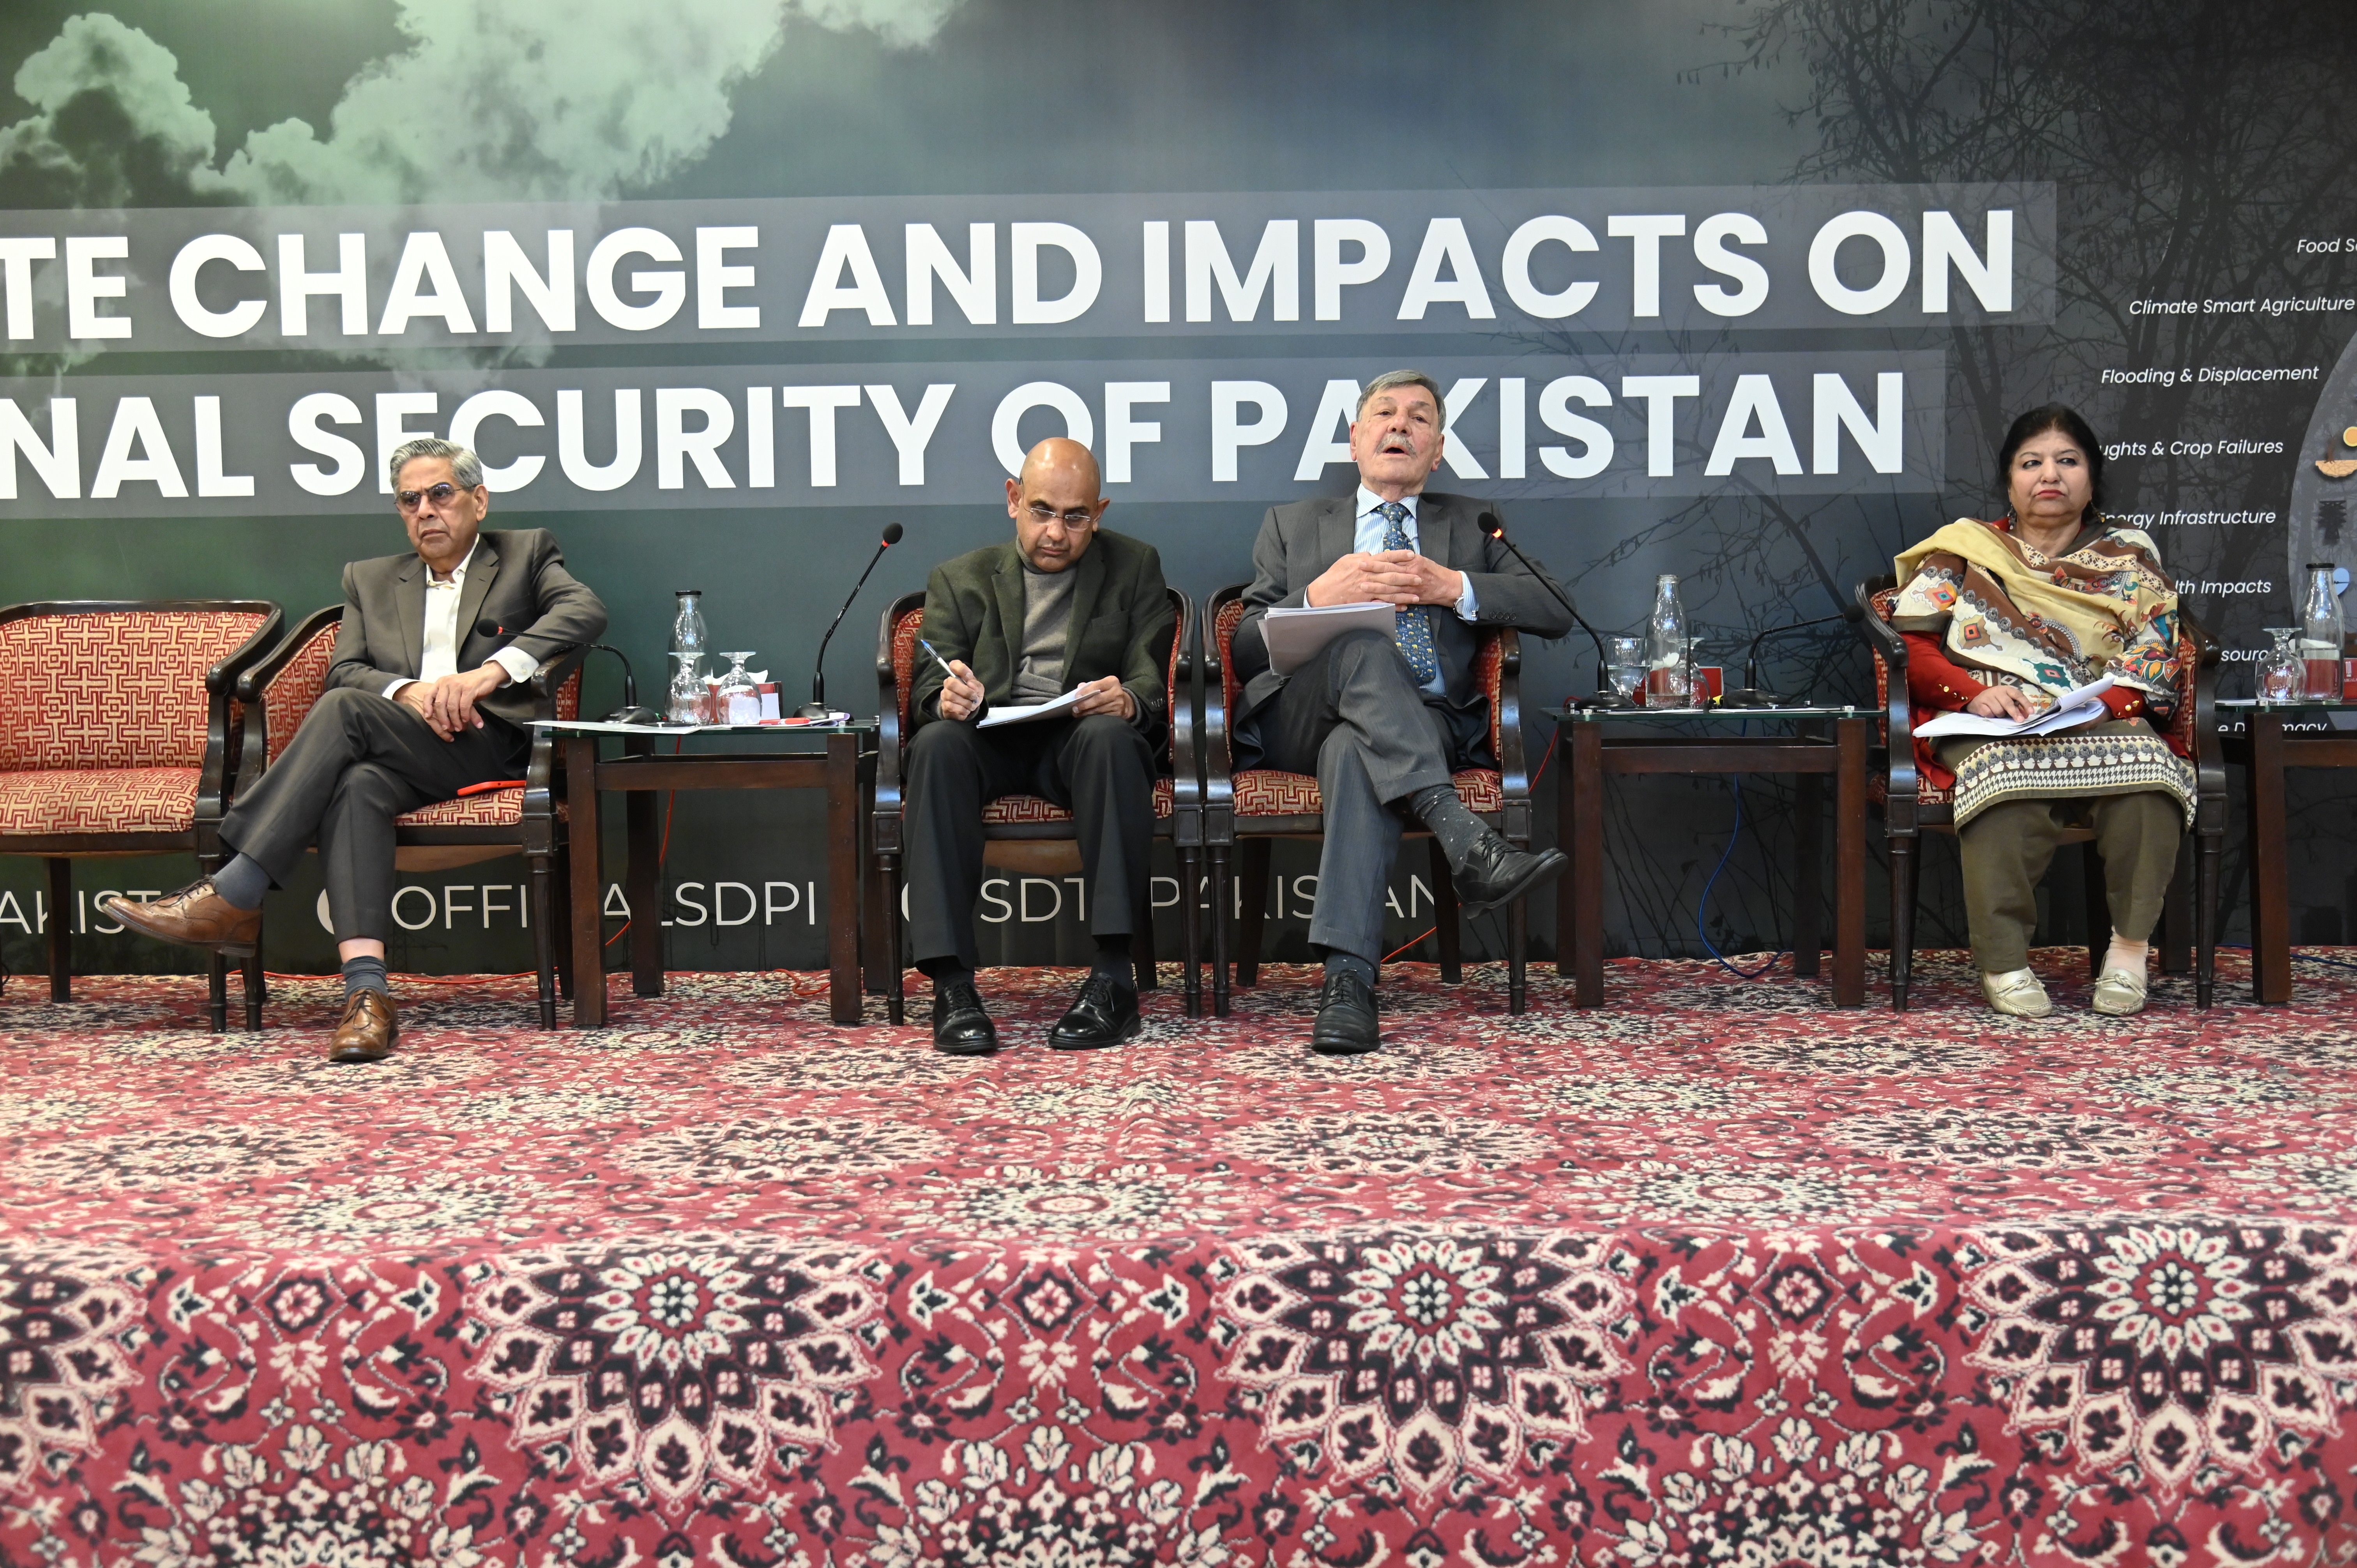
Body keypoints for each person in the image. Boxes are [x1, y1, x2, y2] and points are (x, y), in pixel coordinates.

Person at [102, 438, 607, 1061]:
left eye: (441, 494)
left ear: (478, 501)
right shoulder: (370, 580)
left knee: (345, 718)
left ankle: (236, 888)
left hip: (488, 749)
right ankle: (367, 998)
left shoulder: (525, 553)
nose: (426, 510)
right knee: (357, 784)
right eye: (409, 500)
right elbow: (347, 673)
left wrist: (488, 675)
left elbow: (584, 610)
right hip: (401, 743)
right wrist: (412, 693)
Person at [1231, 369, 1574, 1055]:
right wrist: (1320, 595)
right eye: (1383, 414)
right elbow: (1243, 650)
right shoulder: (1293, 526)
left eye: (1419, 418)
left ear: (1437, 450)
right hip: (1302, 715)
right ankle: (1465, 840)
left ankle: (1348, 983)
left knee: (1356, 753)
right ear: (1355, 440)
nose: (1399, 425)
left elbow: (1556, 609)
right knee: (1361, 643)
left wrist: (1455, 586)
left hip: (1428, 721)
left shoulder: (1471, 525)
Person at [1891, 403, 2194, 1018]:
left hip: (2096, 715)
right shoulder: (1967, 552)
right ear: (2010, 480)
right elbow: (1911, 647)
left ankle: (2130, 953)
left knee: (2150, 780)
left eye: (2067, 461)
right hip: (1988, 716)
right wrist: (1972, 693)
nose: (2049, 475)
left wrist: (2104, 706)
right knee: (2005, 781)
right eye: (2032, 463)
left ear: (2091, 477)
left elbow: (2158, 651)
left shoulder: (2129, 556)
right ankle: (2004, 963)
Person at [905, 436, 1174, 1055]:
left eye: (1076, 517)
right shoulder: (959, 578)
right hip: (990, 736)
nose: (1057, 532)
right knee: (937, 746)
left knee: (1114, 739)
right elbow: (929, 678)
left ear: (1099, 513)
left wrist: (1129, 699)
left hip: (1077, 738)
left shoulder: (1135, 566)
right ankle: (952, 985)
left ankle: (1113, 979)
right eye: (1043, 511)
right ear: (1013, 500)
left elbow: (1149, 670)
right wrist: (945, 698)